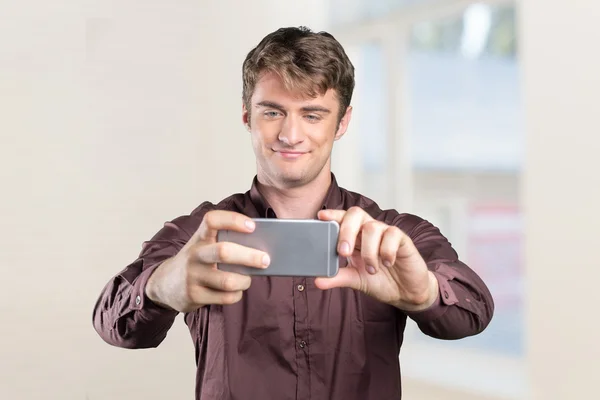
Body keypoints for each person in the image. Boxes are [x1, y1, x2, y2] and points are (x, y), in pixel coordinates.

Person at [92, 26, 494, 400]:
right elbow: (112, 322)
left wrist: (423, 292)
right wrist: (160, 287)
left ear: (342, 123)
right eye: (272, 112)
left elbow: (474, 311)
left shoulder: (392, 235)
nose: (290, 134)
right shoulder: (200, 237)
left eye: (312, 114)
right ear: (247, 116)